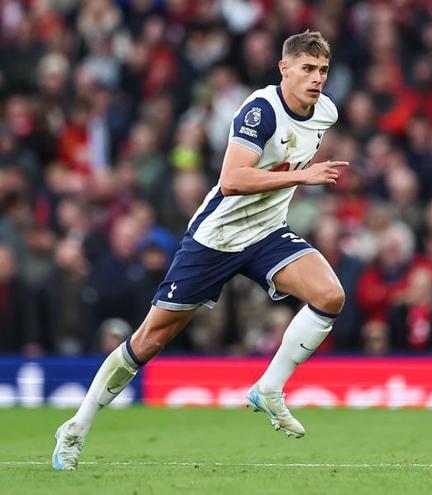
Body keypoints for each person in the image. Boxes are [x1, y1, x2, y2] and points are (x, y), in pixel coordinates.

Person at [52, 31, 348, 471]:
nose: (317, 78)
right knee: (150, 339)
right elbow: (232, 180)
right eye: (307, 69)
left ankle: (269, 389)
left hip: (266, 232)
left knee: (330, 296)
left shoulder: (325, 112)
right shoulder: (260, 112)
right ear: (284, 69)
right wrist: (300, 178)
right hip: (217, 238)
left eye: (322, 70)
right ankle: (75, 428)